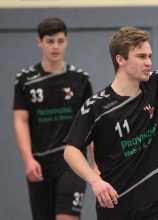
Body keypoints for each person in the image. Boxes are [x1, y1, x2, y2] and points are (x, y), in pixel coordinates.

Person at [63, 1, 158, 219]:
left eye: (150, 56)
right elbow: (70, 150)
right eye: (141, 57)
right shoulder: (96, 107)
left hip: (154, 204)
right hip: (114, 207)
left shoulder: (156, 85)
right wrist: (95, 181)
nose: (149, 62)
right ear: (120, 59)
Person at [13, 18, 93, 220]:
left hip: (72, 161)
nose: (55, 46)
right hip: (40, 162)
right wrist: (28, 160)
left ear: (66, 41)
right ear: (39, 42)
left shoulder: (81, 79)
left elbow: (91, 123)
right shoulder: (25, 79)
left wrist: (96, 161)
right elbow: (21, 121)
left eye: (60, 41)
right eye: (50, 41)